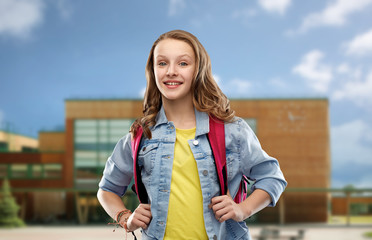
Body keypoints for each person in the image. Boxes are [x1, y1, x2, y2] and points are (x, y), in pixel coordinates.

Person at [97, 29, 287, 240]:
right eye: (162, 63)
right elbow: (106, 189)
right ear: (152, 71)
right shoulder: (140, 137)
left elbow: (272, 178)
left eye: (183, 63)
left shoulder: (232, 131)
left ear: (198, 69)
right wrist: (126, 218)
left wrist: (243, 209)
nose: (171, 71)